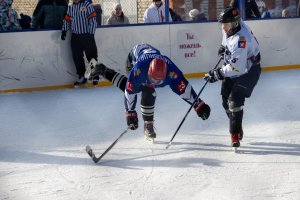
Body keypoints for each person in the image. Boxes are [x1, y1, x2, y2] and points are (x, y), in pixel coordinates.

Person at [85, 44, 211, 142]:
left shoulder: (172, 72)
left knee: (145, 87)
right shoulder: (139, 70)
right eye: (152, 78)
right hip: (134, 57)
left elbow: (183, 88)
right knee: (141, 88)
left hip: (151, 54)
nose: (154, 82)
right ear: (149, 72)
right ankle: (148, 125)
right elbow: (130, 90)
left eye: (158, 80)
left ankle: (103, 70)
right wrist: (130, 113)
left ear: (165, 74)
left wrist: (198, 104)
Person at [204, 7, 261, 149]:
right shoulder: (231, 27)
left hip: (248, 71)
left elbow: (237, 68)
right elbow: (226, 39)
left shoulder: (241, 40)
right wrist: (224, 47)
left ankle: (234, 135)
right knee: (225, 101)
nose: (223, 27)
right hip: (236, 66)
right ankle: (236, 123)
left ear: (234, 24)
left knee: (234, 102)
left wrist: (217, 74)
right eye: (222, 24)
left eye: (226, 24)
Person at [61, 0, 99, 88]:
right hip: (75, 36)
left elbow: (93, 20)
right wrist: (64, 30)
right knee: (77, 57)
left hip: (87, 35)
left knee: (92, 56)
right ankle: (82, 76)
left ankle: (93, 74)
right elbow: (67, 19)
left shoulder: (87, 5)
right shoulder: (71, 7)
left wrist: (90, 34)